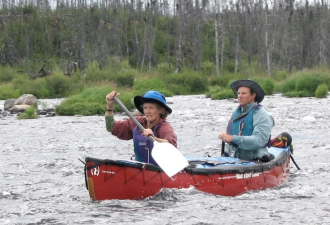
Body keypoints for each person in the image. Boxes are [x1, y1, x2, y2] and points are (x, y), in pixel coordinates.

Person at [105, 90, 177, 166]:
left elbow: (171, 145)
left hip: (158, 171)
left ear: (161, 110)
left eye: (151, 108)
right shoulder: (137, 122)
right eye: (145, 108)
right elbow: (111, 127)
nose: (148, 111)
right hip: (139, 169)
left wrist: (155, 138)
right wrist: (110, 107)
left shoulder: (164, 127)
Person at [218, 79, 275, 162]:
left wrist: (232, 138)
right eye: (238, 93)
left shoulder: (262, 114)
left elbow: (258, 141)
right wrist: (225, 137)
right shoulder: (236, 112)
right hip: (232, 158)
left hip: (254, 160)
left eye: (244, 93)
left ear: (253, 95)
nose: (240, 96)